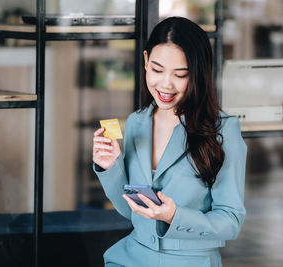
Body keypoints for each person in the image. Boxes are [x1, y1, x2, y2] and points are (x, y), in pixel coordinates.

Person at [93, 16, 247, 267]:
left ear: (198, 74)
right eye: (156, 69)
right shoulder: (136, 122)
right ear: (145, 61)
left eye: (180, 74)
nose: (165, 84)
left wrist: (174, 216)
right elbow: (133, 211)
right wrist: (111, 168)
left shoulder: (223, 130)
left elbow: (230, 222)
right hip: (130, 257)